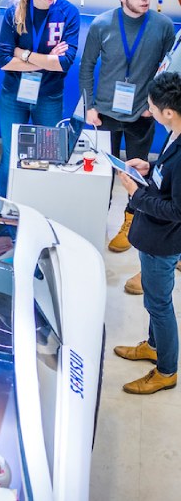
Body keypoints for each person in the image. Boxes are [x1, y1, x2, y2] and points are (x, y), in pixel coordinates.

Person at [79, 0, 175, 266]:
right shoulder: (101, 24)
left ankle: (130, 223)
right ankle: (94, 221)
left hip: (141, 115)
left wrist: (154, 104)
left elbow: (168, 69)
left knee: (138, 175)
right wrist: (89, 107)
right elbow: (86, 67)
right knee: (101, 175)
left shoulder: (162, 25)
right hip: (104, 115)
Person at [113, 71, 181, 395]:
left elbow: (178, 210)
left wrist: (136, 195)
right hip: (152, 235)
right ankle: (154, 345)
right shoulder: (174, 133)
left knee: (159, 305)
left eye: (152, 106)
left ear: (168, 111)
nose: (148, 109)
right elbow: (168, 179)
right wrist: (148, 170)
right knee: (155, 300)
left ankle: (166, 370)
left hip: (163, 243)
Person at [0, 0, 80, 197]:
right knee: (11, 154)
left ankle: (42, 205)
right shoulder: (14, 12)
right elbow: (3, 61)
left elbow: (63, 63)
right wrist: (46, 59)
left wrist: (23, 54)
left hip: (49, 97)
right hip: (14, 95)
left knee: (48, 155)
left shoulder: (68, 13)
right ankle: (4, 208)